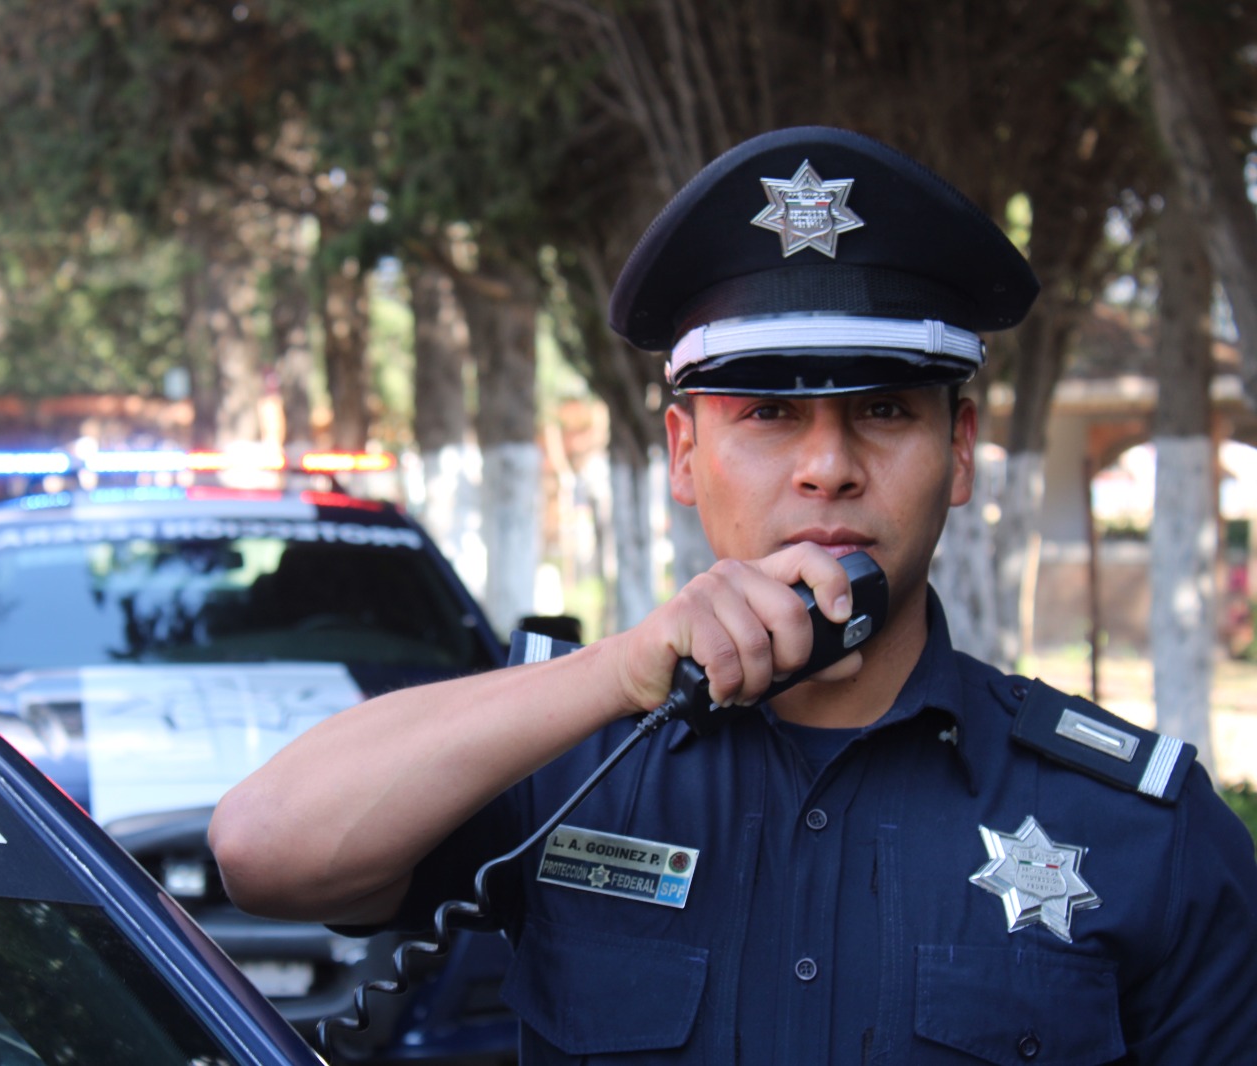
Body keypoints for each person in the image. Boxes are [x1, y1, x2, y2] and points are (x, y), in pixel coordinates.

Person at [210, 127, 1257, 1063]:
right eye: (766, 412)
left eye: (884, 409)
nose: (826, 468)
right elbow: (265, 849)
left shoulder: (1139, 829)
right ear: (681, 451)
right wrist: (616, 671)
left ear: (961, 452)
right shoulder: (569, 752)